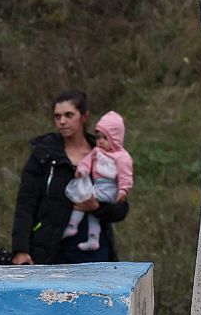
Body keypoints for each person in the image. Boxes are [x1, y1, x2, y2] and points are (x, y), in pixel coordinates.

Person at [12, 90, 130, 264]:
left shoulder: (106, 155)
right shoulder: (44, 155)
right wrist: (20, 249)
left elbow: (121, 208)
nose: (62, 121)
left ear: (84, 116)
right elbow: (25, 204)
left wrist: (97, 207)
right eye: (57, 116)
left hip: (96, 254)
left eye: (69, 115)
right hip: (51, 251)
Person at [62, 111, 134, 252]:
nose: (100, 141)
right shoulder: (96, 152)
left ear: (115, 139)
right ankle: (93, 238)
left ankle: (72, 225)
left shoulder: (122, 157)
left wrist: (123, 190)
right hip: (98, 186)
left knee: (83, 199)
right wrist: (82, 170)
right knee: (93, 213)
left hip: (110, 189)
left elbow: (126, 176)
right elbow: (86, 162)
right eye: (98, 137)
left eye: (105, 138)